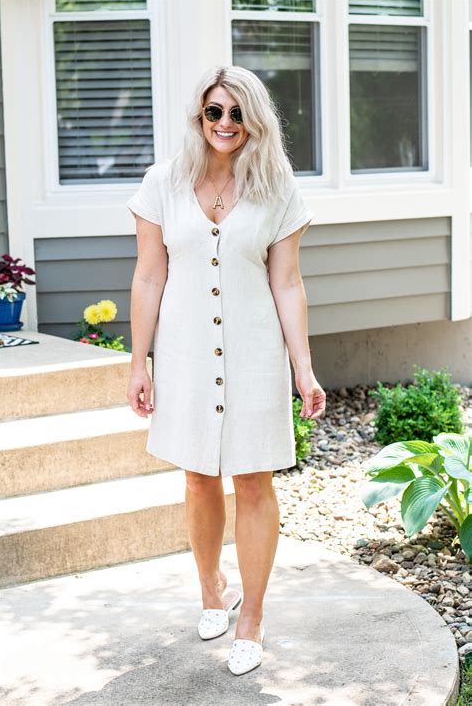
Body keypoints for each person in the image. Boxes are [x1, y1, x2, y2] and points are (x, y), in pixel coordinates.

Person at [126, 64, 326, 676]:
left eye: (238, 113)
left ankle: (252, 618)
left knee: (254, 481)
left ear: (254, 121)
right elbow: (149, 275)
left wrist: (304, 368)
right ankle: (212, 589)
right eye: (216, 111)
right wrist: (140, 362)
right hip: (185, 351)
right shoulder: (163, 183)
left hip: (253, 350)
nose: (226, 124)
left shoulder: (277, 186)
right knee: (196, 477)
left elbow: (286, 281)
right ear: (199, 116)